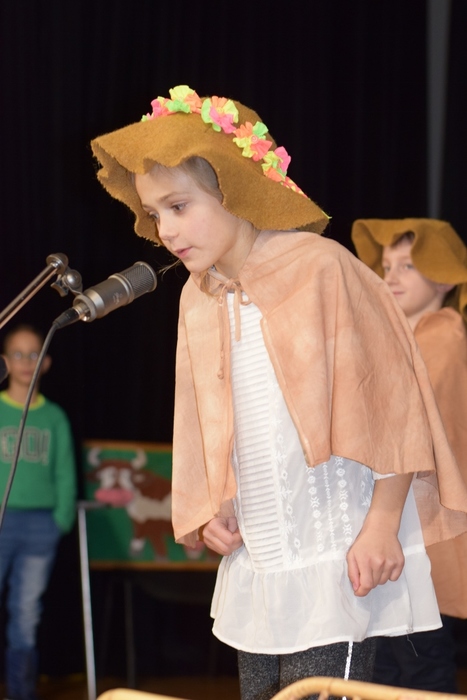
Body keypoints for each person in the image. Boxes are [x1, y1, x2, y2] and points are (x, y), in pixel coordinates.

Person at [90, 85, 467, 700]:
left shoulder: (321, 267)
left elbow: (393, 405)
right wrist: (218, 503)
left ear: (233, 187)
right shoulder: (199, 296)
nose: (166, 231)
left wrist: (381, 525)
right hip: (263, 563)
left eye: (179, 206)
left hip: (335, 555)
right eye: (156, 214)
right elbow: (213, 421)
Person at [351, 218, 467, 693]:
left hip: (426, 525)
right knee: (385, 662)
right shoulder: (398, 335)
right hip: (397, 521)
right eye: (386, 266)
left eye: (407, 266)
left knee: (420, 661)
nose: (391, 277)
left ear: (443, 278)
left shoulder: (445, 335)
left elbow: (411, 422)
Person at [0, 324, 77, 700]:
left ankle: (20, 692)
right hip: (2, 523)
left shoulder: (54, 417)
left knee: (27, 612)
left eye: (34, 354)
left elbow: (65, 471)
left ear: (45, 363)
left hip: (38, 528)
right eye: (18, 354)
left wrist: (60, 519)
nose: (26, 362)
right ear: (5, 362)